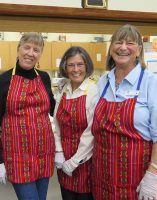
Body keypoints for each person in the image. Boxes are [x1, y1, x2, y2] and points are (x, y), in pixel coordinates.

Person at [91, 24, 157, 200]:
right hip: (102, 174)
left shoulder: (154, 85)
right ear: (111, 47)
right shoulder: (103, 81)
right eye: (118, 42)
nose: (123, 47)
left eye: (130, 43)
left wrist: (152, 174)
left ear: (139, 50)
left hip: (138, 176)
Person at [0, 32, 55, 200]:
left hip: (44, 153)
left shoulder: (44, 77)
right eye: (27, 47)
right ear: (18, 50)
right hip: (18, 157)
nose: (30, 53)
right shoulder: (3, 80)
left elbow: (53, 109)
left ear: (40, 54)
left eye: (36, 49)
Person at [53, 46, 98, 200]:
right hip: (63, 160)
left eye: (80, 64)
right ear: (65, 67)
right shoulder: (63, 90)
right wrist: (58, 152)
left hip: (86, 162)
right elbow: (56, 125)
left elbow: (91, 132)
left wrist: (74, 162)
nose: (75, 69)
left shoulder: (93, 91)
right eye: (71, 65)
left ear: (87, 66)